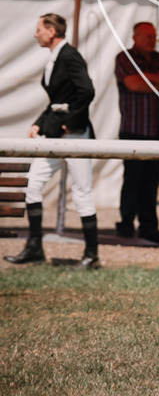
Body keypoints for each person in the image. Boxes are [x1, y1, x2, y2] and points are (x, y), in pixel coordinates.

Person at [5, 14, 99, 268]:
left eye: (39, 30)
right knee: (33, 184)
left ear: (51, 31)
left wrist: (71, 122)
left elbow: (87, 91)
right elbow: (57, 99)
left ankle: (92, 255)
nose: (35, 34)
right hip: (55, 135)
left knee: (81, 193)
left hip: (75, 135)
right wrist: (40, 121)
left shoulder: (69, 55)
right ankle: (35, 247)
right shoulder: (56, 57)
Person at [115, 21, 159, 243]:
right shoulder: (124, 58)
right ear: (135, 37)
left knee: (152, 180)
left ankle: (148, 227)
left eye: (154, 36)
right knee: (133, 178)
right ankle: (126, 223)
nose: (152, 40)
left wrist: (148, 78)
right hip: (134, 130)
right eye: (148, 36)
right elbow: (133, 84)